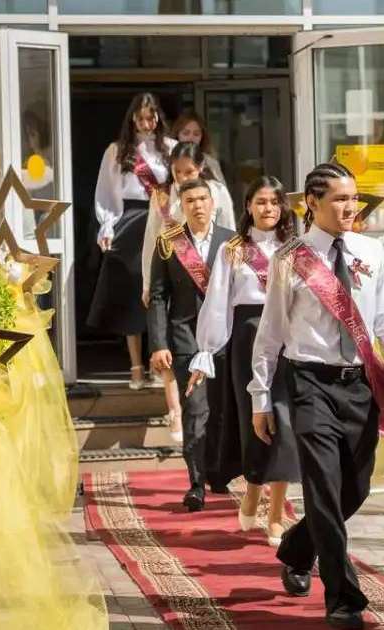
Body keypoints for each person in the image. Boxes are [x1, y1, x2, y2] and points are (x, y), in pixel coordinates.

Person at [249, 162, 384, 629]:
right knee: (323, 489)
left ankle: (297, 547)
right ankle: (344, 599)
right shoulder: (291, 258)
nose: (350, 208)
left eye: (353, 198)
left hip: (361, 385)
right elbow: (269, 336)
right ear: (311, 203)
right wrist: (260, 398)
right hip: (310, 383)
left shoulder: (370, 251)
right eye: (339, 200)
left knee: (355, 488)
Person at [187, 176, 298, 542]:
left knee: (284, 423)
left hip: (287, 340)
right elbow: (218, 301)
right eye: (261, 202)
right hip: (247, 338)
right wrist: (206, 350)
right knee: (255, 422)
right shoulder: (233, 249)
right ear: (248, 206)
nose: (268, 209)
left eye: (274, 202)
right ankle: (253, 487)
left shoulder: (295, 248)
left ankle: (278, 512)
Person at [147, 178, 235, 512]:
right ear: (181, 206)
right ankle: (196, 483)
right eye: (190, 200)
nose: (197, 205)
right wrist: (158, 343)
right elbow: (157, 296)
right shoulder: (169, 242)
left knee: (223, 411)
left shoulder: (232, 241)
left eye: (202, 199)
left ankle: (219, 471)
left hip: (225, 339)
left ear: (213, 203)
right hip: (186, 339)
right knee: (196, 411)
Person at [140, 141, 235, 437]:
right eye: (177, 171)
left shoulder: (216, 192)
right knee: (170, 343)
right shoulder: (161, 196)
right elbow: (150, 239)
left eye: (189, 171)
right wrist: (147, 282)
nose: (182, 177)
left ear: (201, 168)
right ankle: (176, 411)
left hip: (210, 280)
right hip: (171, 276)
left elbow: (229, 230)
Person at [90, 92, 176, 390]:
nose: (145, 122)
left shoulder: (171, 149)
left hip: (164, 220)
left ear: (158, 117)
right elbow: (106, 191)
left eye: (150, 116)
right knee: (132, 296)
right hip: (130, 220)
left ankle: (158, 361)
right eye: (139, 117)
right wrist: (107, 226)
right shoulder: (117, 151)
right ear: (131, 119)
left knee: (159, 292)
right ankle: (136, 366)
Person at [171, 110, 224, 182]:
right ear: (177, 135)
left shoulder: (211, 163)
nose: (191, 138)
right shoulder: (169, 159)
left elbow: (222, 190)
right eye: (186, 133)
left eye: (196, 134)